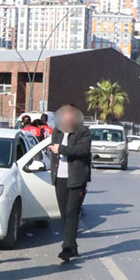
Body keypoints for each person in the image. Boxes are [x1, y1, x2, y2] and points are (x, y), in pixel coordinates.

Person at [48, 104, 92, 263]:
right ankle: (72, 246)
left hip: (77, 178)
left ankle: (66, 248)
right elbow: (53, 152)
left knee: (72, 211)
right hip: (59, 177)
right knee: (64, 213)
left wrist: (62, 149)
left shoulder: (83, 132)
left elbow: (83, 150)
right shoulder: (57, 131)